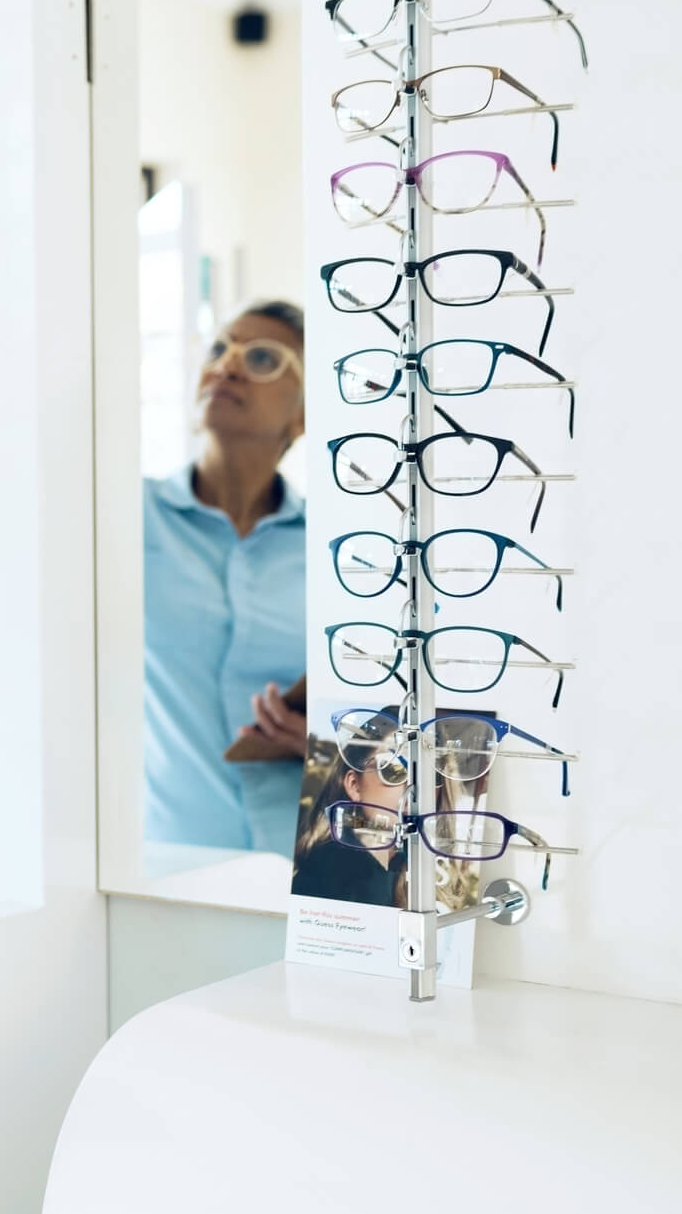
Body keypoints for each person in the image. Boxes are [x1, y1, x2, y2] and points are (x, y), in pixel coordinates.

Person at [142, 300, 307, 857]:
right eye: (219, 350)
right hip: (163, 866)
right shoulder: (123, 514)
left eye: (262, 358)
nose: (228, 367)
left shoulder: (339, 551)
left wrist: (317, 743)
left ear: (302, 416)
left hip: (303, 870)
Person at [289, 731, 408, 908]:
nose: (413, 788)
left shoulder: (397, 872)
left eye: (428, 775)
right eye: (394, 769)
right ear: (354, 785)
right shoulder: (331, 873)